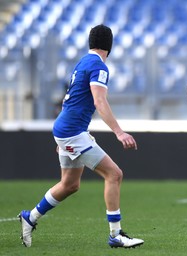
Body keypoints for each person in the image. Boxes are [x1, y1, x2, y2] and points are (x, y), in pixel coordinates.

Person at [18, 24, 144, 248]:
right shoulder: (98, 66)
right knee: (114, 174)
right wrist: (119, 131)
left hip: (67, 130)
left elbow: (75, 100)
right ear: (110, 45)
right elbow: (99, 101)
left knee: (69, 184)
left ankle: (30, 217)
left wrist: (63, 140)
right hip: (72, 133)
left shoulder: (83, 62)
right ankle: (116, 235)